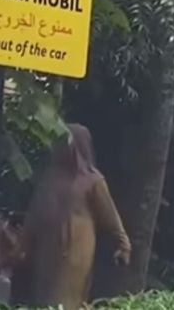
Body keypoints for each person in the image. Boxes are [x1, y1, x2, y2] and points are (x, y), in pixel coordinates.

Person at [16, 123, 131, 310]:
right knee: (44, 296)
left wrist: (123, 245)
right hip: (48, 248)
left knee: (69, 295)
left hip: (77, 249)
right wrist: (22, 245)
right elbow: (34, 215)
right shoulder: (49, 178)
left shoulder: (93, 181)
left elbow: (111, 217)